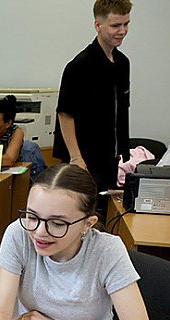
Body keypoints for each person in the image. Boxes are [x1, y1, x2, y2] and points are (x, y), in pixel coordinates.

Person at [0, 164, 154, 320]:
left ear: (87, 224)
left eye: (57, 223)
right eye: (32, 217)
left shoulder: (107, 251)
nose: (39, 232)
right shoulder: (19, 235)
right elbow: (0, 315)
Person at [53, 0, 133, 192]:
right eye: (115, 25)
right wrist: (76, 157)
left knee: (105, 213)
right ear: (98, 25)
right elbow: (65, 114)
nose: (122, 31)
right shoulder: (79, 66)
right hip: (83, 160)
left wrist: (123, 150)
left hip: (110, 159)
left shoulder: (122, 63)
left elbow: (120, 108)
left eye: (126, 24)